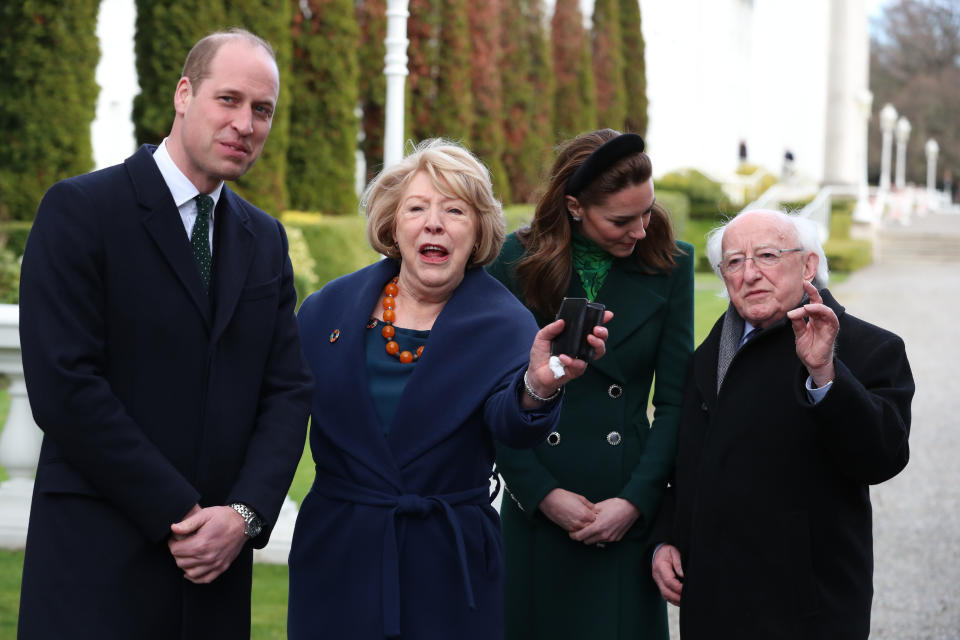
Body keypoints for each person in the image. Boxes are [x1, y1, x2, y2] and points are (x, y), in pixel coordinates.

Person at [17, 29, 313, 638]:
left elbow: (286, 393)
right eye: (227, 100)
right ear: (183, 94)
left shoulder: (267, 241)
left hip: (215, 576)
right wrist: (182, 514)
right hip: (97, 563)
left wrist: (242, 515)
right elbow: (65, 388)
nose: (245, 124)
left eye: (262, 110)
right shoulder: (81, 210)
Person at [286, 139, 611, 640]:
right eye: (417, 208)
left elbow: (509, 423)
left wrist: (538, 388)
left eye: (454, 210)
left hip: (446, 563)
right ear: (394, 224)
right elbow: (278, 414)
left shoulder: (505, 323)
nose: (433, 223)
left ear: (477, 230)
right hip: (339, 553)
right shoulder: (326, 309)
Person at [650, 209, 914, 639]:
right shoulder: (708, 355)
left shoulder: (869, 348)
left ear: (808, 264)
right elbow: (685, 464)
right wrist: (663, 541)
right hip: (713, 603)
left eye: (767, 256)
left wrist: (826, 373)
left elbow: (881, 458)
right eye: (734, 262)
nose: (749, 274)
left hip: (807, 609)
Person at [486, 128, 694, 639]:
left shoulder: (672, 264)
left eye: (648, 211)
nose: (641, 230)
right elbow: (492, 399)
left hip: (624, 507)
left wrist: (636, 501)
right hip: (537, 509)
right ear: (575, 206)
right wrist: (541, 493)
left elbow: (673, 403)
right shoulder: (511, 264)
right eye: (622, 220)